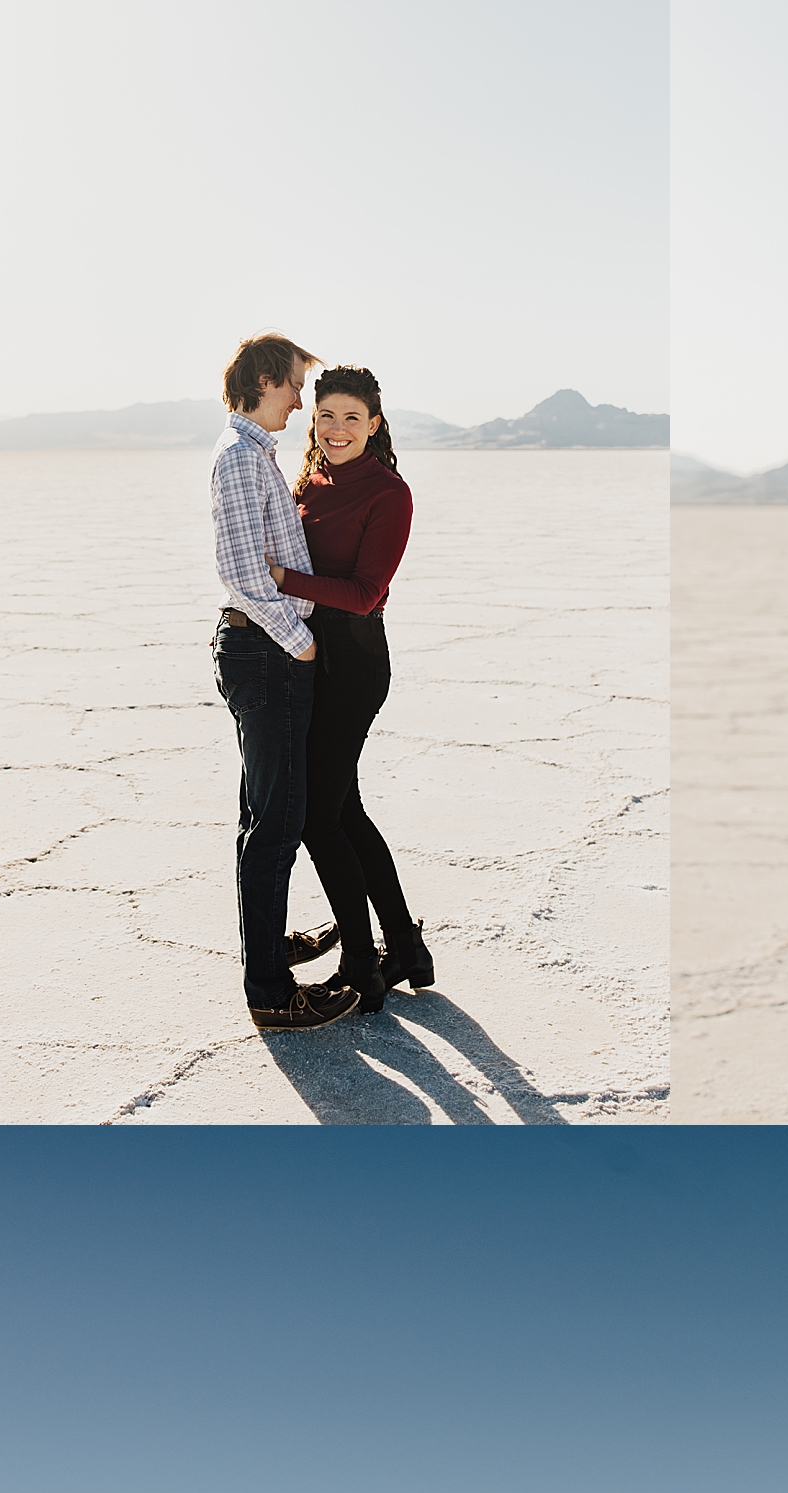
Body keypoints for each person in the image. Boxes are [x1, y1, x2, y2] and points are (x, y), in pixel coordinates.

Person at [269, 365, 435, 1011]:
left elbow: (366, 593)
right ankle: (405, 945)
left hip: (356, 662)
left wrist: (283, 580)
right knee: (345, 811)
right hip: (311, 655)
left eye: (351, 418)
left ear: (374, 424)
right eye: (326, 416)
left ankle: (362, 964)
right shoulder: (310, 478)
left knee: (319, 816)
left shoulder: (390, 494)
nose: (337, 429)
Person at [210, 333, 360, 1030]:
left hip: (264, 651)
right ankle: (270, 990)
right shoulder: (242, 458)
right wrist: (301, 644)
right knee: (277, 822)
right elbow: (244, 572)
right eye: (296, 386)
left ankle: (267, 952)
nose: (301, 402)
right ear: (266, 379)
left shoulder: (255, 454)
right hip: (269, 652)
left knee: (263, 817)